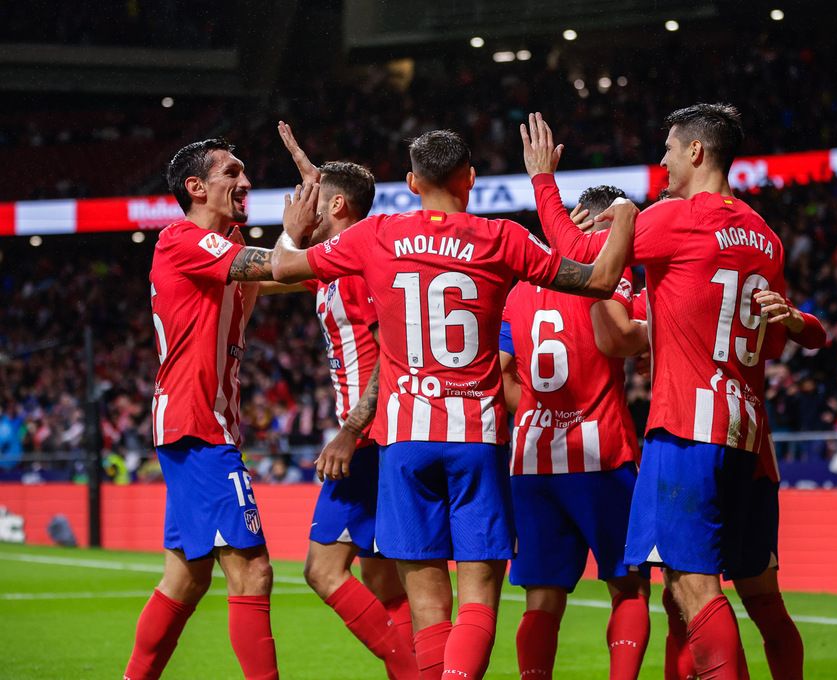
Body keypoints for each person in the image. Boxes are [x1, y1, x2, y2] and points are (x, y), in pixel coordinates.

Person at [269, 127, 638, 680]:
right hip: (476, 438)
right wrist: (626, 216)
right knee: (477, 602)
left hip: (403, 442)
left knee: (427, 609)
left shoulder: (378, 235)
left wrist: (293, 232)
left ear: (412, 182)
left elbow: (282, 268)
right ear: (470, 179)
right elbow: (602, 276)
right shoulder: (502, 237)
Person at [520, 105, 797, 679]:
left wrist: (543, 179)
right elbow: (772, 342)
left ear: (696, 152)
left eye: (669, 148)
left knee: (690, 589)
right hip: (748, 433)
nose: (663, 160)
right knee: (754, 598)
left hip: (685, 429)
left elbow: (583, 250)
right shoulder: (766, 238)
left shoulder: (675, 218)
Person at [124, 137, 319, 680]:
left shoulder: (226, 244)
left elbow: (288, 273)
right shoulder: (181, 240)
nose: (247, 182)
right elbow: (279, 265)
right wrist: (300, 235)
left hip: (202, 423)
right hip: (196, 424)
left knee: (185, 579)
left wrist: (325, 208)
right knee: (253, 571)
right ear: (196, 187)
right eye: (233, 172)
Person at [266, 123, 419, 679]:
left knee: (323, 571)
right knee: (385, 583)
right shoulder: (337, 263)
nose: (302, 205)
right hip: (374, 436)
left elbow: (391, 351)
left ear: (336, 205)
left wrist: (351, 431)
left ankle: (419, 671)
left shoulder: (359, 263)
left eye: (313, 197)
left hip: (372, 438)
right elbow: (269, 277)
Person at [625, 287, 827, 680]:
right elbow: (814, 335)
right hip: (751, 448)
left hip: (694, 443)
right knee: (745, 601)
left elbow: (615, 337)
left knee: (690, 595)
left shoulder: (658, 290)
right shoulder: (736, 279)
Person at [498, 184, 651, 680]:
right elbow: (623, 340)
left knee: (542, 598)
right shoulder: (613, 277)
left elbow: (501, 373)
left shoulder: (520, 289)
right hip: (601, 453)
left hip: (532, 460)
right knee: (628, 588)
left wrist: (544, 414)